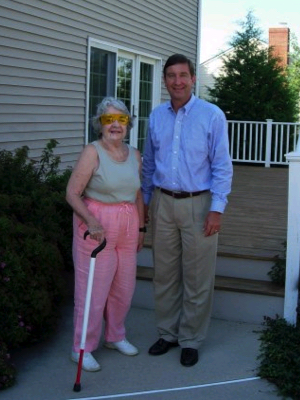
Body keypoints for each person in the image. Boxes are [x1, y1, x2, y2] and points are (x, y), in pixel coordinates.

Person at [142, 54, 233, 367]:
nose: (177, 81)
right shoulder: (155, 117)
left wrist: (217, 209)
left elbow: (222, 165)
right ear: (165, 80)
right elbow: (150, 164)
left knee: (197, 277)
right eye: (171, 75)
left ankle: (191, 339)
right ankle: (167, 333)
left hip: (200, 204)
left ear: (194, 79)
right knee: (164, 275)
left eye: (183, 75)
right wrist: (145, 202)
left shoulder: (212, 116)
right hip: (163, 203)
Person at [66, 97, 145, 372]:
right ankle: (82, 348)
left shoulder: (134, 154)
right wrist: (90, 220)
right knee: (93, 291)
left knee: (124, 288)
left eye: (121, 120)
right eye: (108, 119)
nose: (115, 124)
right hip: (98, 227)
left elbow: (137, 194)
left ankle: (115, 336)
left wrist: (141, 227)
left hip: (128, 226)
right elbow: (72, 194)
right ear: (99, 124)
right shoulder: (92, 151)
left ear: (128, 124)